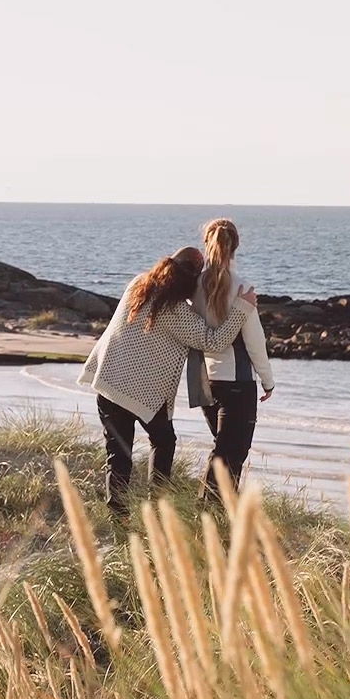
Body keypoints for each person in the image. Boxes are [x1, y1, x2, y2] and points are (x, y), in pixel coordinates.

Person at [79, 247, 255, 516]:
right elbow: (214, 341)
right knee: (163, 442)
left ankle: (119, 521)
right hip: (143, 393)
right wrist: (241, 308)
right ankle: (157, 507)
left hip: (109, 384)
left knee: (118, 458)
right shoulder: (174, 310)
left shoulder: (137, 285)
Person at [187, 219, 275, 500]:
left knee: (223, 450)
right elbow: (254, 342)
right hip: (236, 383)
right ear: (236, 246)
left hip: (202, 381)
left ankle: (217, 514)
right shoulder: (242, 289)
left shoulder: (193, 286)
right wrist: (268, 380)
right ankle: (206, 513)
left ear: (207, 244)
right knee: (231, 455)